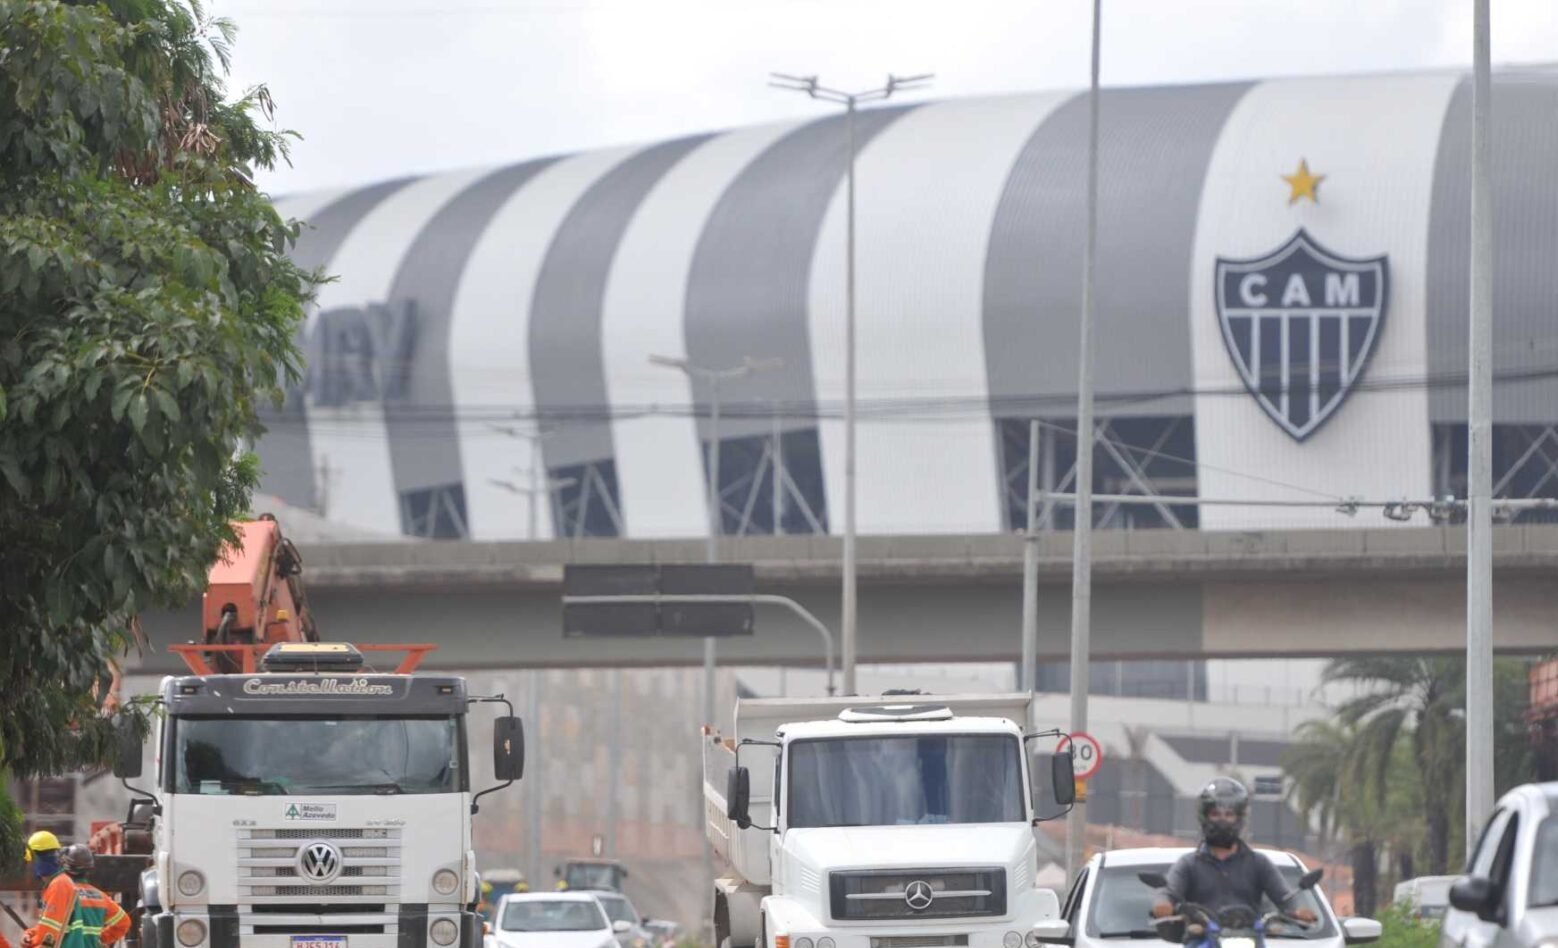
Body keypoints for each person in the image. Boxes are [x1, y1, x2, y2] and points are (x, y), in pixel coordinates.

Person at [1150, 779, 1318, 925]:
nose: (1222, 820)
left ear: (1239, 818)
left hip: (1250, 938)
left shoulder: (1259, 863)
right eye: (1215, 814)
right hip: (1201, 938)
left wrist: (1299, 911)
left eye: (1229, 814)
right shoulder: (1188, 864)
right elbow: (1169, 892)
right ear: (1204, 817)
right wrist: (1163, 904)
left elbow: (1285, 898)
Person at [22, 838, 130, 948]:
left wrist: (30, 937)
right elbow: (124, 922)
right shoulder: (101, 897)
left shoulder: (60, 892)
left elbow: (50, 927)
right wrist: (99, 939)